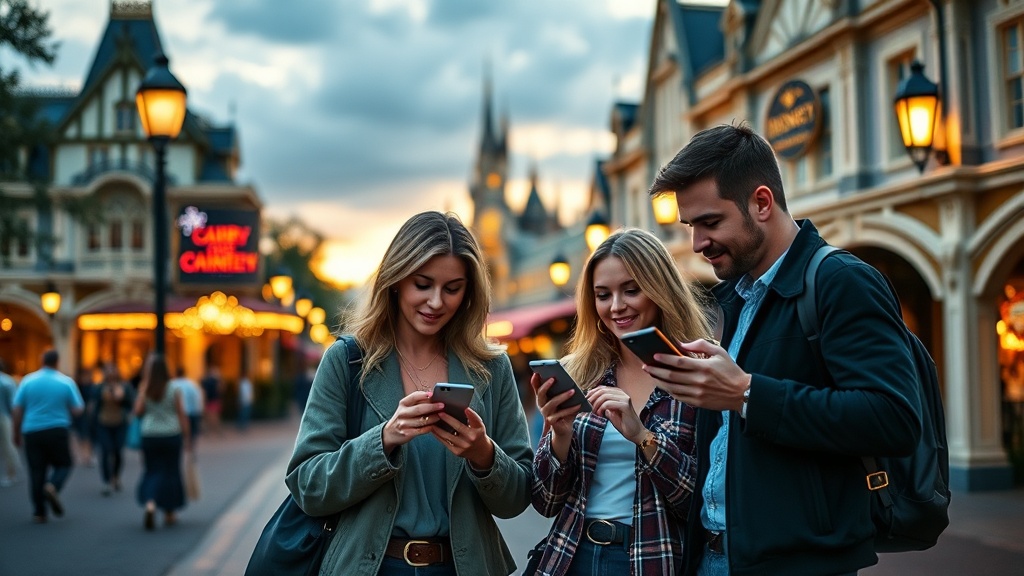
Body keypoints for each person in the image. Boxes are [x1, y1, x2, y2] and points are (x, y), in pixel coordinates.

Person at [645, 123, 923, 575]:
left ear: (761, 202)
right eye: (691, 225)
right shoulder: (734, 297)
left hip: (800, 563)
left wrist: (747, 394)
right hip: (716, 557)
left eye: (710, 222)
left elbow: (893, 418)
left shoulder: (842, 282)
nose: (697, 243)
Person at [286, 211, 533, 575]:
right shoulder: (348, 361)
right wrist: (384, 439)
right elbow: (307, 484)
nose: (436, 302)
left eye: (452, 288)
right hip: (369, 567)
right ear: (397, 279)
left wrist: (484, 455)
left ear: (468, 292)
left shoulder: (492, 368)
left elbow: (517, 498)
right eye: (423, 284)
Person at [529, 228, 711, 575]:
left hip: (651, 559)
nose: (616, 307)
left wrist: (644, 437)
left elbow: (701, 503)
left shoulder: (696, 372)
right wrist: (560, 436)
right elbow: (545, 500)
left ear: (659, 289)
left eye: (631, 290)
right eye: (602, 294)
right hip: (573, 555)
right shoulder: (579, 373)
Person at [11, 349, 84, 523]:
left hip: (32, 430)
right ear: (57, 362)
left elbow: (17, 409)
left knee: (37, 470)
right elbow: (78, 409)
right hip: (57, 429)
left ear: (42, 360)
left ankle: (39, 511)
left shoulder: (28, 381)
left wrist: (16, 432)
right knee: (64, 464)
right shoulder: (66, 382)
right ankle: (53, 485)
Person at [133, 352, 191, 530]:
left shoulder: (145, 387)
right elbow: (181, 414)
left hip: (149, 435)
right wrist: (187, 437)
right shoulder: (174, 388)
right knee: (171, 472)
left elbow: (137, 411)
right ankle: (169, 512)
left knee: (152, 470)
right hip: (171, 435)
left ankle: (150, 502)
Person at [94, 364, 133, 495]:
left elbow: (130, 403)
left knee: (117, 451)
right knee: (106, 450)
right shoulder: (99, 387)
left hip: (119, 423)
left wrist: (120, 398)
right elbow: (94, 405)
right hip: (103, 422)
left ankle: (115, 476)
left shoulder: (125, 387)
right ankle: (106, 480)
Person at [0, 358, 23, 487]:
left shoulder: (6, 382)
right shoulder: (8, 381)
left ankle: (11, 473)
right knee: (9, 445)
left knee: (8, 446)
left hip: (4, 415)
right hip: (5, 416)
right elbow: (14, 404)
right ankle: (11, 473)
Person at [170, 368, 204, 445]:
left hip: (178, 413)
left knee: (179, 433)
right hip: (192, 412)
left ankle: (183, 448)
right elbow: (197, 398)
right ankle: (190, 449)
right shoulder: (191, 384)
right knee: (192, 434)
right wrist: (199, 410)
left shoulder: (172, 384)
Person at [200, 367, 222, 436]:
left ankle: (210, 431)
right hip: (214, 399)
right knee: (215, 415)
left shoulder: (205, 381)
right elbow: (220, 389)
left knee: (209, 416)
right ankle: (215, 430)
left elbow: (204, 391)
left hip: (208, 400)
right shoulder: (216, 380)